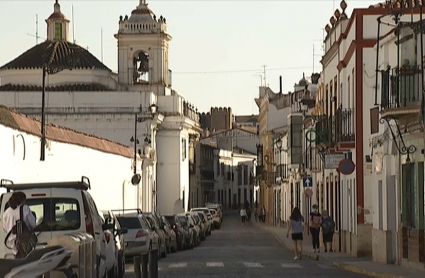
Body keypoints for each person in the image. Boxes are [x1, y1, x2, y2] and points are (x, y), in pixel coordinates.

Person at [2, 191, 36, 258]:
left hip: (12, 244)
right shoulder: (25, 208)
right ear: (22, 200)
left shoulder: (6, 212)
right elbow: (33, 225)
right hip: (23, 243)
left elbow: (5, 228)